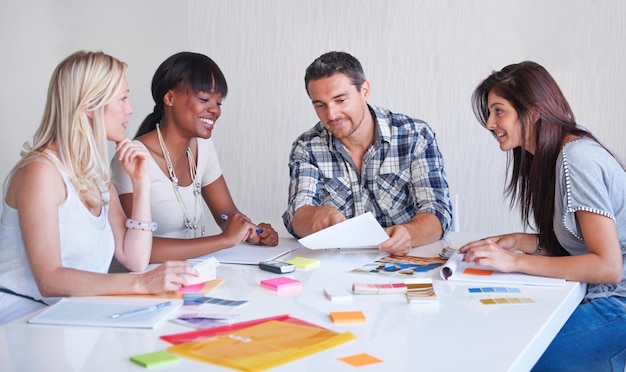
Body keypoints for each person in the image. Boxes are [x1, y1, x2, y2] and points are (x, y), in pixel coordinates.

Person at [0, 51, 198, 325]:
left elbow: (135, 258)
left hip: (72, 316)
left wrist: (142, 184)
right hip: (22, 322)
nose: (130, 109)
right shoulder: (40, 172)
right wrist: (140, 284)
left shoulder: (96, 176)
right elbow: (49, 279)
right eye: (123, 98)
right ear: (89, 107)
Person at [459, 61, 626, 371]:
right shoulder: (551, 158)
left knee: (509, 355)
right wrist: (522, 242)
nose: (489, 123)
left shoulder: (577, 159)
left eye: (498, 111)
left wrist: (513, 262)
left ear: (533, 111)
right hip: (600, 296)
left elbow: (608, 266)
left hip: (618, 305)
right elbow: (579, 248)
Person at [111, 51, 278, 263]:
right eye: (204, 99)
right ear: (170, 98)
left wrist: (249, 231)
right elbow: (134, 248)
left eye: (219, 102)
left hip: (191, 274)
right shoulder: (132, 158)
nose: (215, 110)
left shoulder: (203, 147)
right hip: (147, 280)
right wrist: (224, 240)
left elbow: (226, 214)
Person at [283, 51, 453, 256]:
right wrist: (317, 216)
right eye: (320, 105)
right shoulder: (307, 146)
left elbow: (438, 211)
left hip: (406, 261)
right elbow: (298, 214)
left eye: (340, 100)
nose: (331, 114)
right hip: (337, 267)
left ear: (364, 91)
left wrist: (409, 233)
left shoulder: (414, 135)